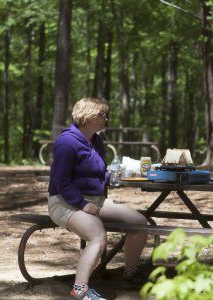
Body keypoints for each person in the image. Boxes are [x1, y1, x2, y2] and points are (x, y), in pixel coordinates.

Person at [48, 97, 148, 300]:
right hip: (64, 201)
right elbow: (61, 181)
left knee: (139, 222)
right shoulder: (66, 142)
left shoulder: (96, 140)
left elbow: (99, 172)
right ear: (88, 116)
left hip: (93, 200)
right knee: (97, 235)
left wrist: (109, 176)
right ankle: (80, 290)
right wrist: (82, 204)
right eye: (102, 115)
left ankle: (128, 273)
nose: (106, 119)